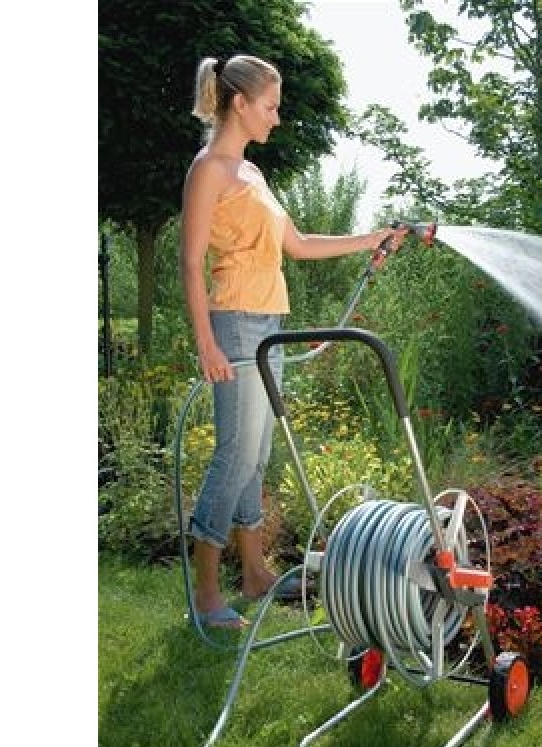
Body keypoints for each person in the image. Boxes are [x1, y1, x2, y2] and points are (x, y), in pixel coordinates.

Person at [179, 54, 407, 629]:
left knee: (257, 454)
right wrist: (206, 342)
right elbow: (189, 261)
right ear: (240, 104)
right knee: (234, 454)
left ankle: (255, 573)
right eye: (271, 106)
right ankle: (205, 593)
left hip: (269, 322)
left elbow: (298, 244)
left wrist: (370, 239)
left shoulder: (252, 173)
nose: (276, 118)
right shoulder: (209, 170)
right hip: (234, 322)